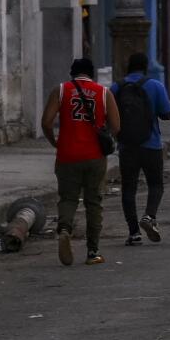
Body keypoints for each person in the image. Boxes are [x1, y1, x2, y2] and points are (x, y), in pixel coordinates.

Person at [42, 57, 120, 267]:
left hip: (67, 155)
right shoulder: (104, 93)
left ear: (72, 73)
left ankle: (65, 229)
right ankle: (93, 251)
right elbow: (116, 126)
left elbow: (46, 122)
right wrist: (105, 137)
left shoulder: (60, 90)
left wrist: (54, 142)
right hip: (94, 157)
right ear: (91, 73)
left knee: (68, 198)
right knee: (94, 202)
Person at [114, 52, 170, 248]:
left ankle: (133, 233)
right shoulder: (155, 85)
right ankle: (149, 216)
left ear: (128, 66)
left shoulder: (117, 87)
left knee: (128, 189)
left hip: (126, 146)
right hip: (151, 145)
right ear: (146, 67)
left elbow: (108, 115)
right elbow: (166, 114)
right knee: (155, 185)